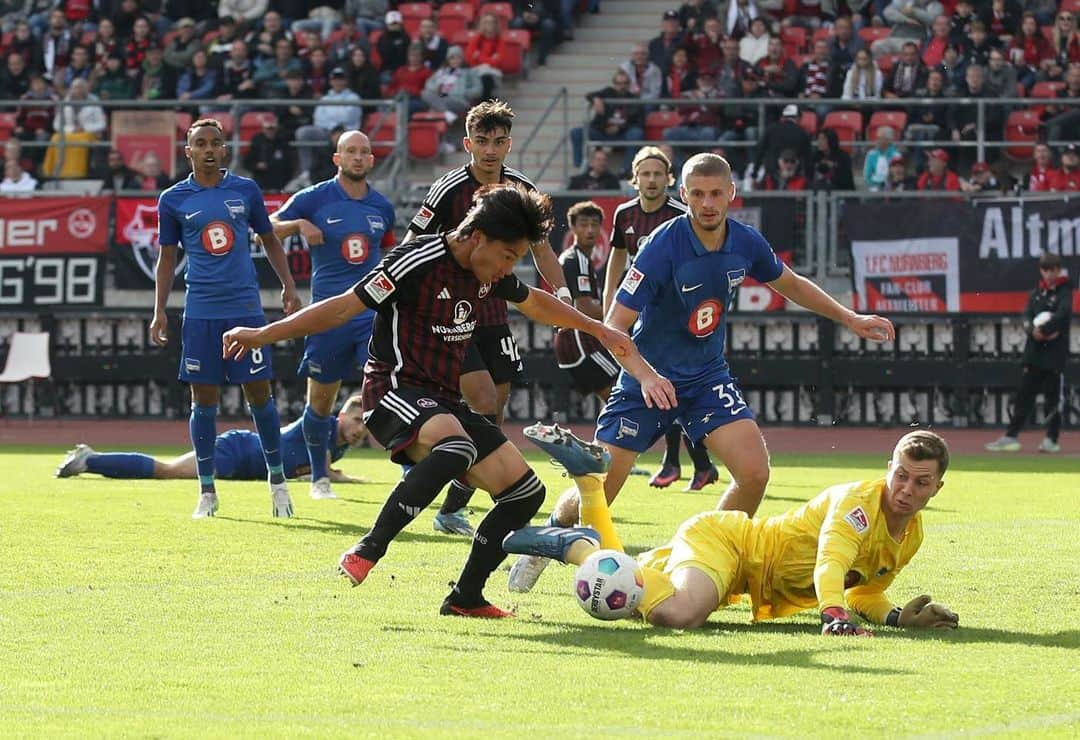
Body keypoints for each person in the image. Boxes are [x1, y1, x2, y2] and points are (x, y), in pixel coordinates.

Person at [222, 183, 637, 618]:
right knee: (456, 447)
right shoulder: (416, 261)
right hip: (393, 392)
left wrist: (598, 329)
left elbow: (534, 302)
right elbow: (344, 307)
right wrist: (263, 334)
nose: (508, 268)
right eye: (508, 256)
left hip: (442, 401)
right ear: (478, 237)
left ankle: (466, 598)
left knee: (525, 492)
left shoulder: (486, 273)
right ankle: (371, 546)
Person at [508, 153, 896, 592]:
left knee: (754, 473)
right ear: (684, 195)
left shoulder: (745, 241)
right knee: (600, 490)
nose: (708, 203)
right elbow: (614, 326)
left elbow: (790, 283)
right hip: (645, 380)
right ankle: (547, 538)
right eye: (698, 194)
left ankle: (705, 559)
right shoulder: (661, 245)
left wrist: (849, 318)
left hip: (707, 378)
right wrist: (648, 377)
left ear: (732, 194)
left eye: (716, 194)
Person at [507, 426, 959, 634]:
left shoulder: (910, 535)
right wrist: (834, 618)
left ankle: (589, 487)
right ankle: (578, 551)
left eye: (920, 482)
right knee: (678, 615)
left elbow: (861, 590)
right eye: (900, 474)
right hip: (728, 543)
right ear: (889, 469)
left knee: (629, 591)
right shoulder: (858, 503)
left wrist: (895, 616)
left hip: (739, 572)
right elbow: (832, 564)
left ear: (937, 489)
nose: (905, 488)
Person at [402, 100, 570, 536]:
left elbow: (542, 250)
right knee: (480, 399)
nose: (490, 150)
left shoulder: (521, 190)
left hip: (494, 309)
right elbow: (410, 244)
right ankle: (424, 468)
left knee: (494, 408)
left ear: (509, 145)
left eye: (498, 142)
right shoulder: (446, 190)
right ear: (467, 143)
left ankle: (450, 505)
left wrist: (564, 296)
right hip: (450, 310)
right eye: (482, 141)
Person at [151, 118, 302, 520]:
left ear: (225, 149)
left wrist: (288, 285)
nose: (209, 150)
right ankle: (206, 491)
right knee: (203, 401)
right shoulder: (173, 199)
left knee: (259, 395)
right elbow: (167, 258)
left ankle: (278, 482)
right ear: (188, 152)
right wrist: (159, 311)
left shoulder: (246, 190)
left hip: (245, 310)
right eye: (200, 144)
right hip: (200, 312)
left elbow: (269, 239)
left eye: (215, 143)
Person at [268, 130, 395, 500]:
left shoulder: (382, 207)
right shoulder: (314, 197)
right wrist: (298, 225)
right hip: (326, 315)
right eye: (350, 151)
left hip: (369, 315)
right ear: (337, 159)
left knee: (390, 393)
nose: (358, 157)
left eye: (364, 152)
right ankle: (319, 479)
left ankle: (408, 474)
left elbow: (389, 255)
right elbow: (267, 226)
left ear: (371, 160)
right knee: (320, 403)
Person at [601, 146, 718, 492]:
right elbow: (617, 258)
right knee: (657, 387)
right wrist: (610, 306)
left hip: (678, 317)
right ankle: (688, 464)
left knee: (675, 389)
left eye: (657, 173)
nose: (651, 180)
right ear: (634, 178)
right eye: (645, 173)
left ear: (669, 179)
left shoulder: (682, 215)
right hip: (639, 313)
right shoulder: (624, 214)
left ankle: (685, 463)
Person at [56, 395, 369, 483]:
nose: (359, 431)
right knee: (169, 471)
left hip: (243, 467)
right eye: (357, 421)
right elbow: (325, 472)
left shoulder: (338, 444)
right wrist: (358, 482)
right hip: (237, 451)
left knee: (170, 471)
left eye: (364, 428)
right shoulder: (322, 425)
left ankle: (91, 458)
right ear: (340, 414)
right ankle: (90, 459)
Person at [985, 253, 1072, 454]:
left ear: (1059, 270)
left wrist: (1045, 330)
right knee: (1024, 395)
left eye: (1053, 269)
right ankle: (1011, 436)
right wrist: (1031, 329)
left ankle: (1052, 439)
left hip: (1054, 356)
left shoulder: (1065, 292)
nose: (1049, 274)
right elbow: (1026, 316)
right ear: (1041, 271)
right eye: (1045, 269)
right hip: (1034, 354)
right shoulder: (1036, 293)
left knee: (1053, 398)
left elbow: (1063, 314)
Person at [554, 201, 622, 399]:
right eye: (584, 224)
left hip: (572, 341)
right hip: (578, 341)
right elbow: (584, 307)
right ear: (573, 227)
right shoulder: (577, 260)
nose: (590, 230)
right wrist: (624, 313)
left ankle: (610, 430)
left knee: (616, 397)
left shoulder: (576, 258)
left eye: (594, 224)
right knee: (622, 389)